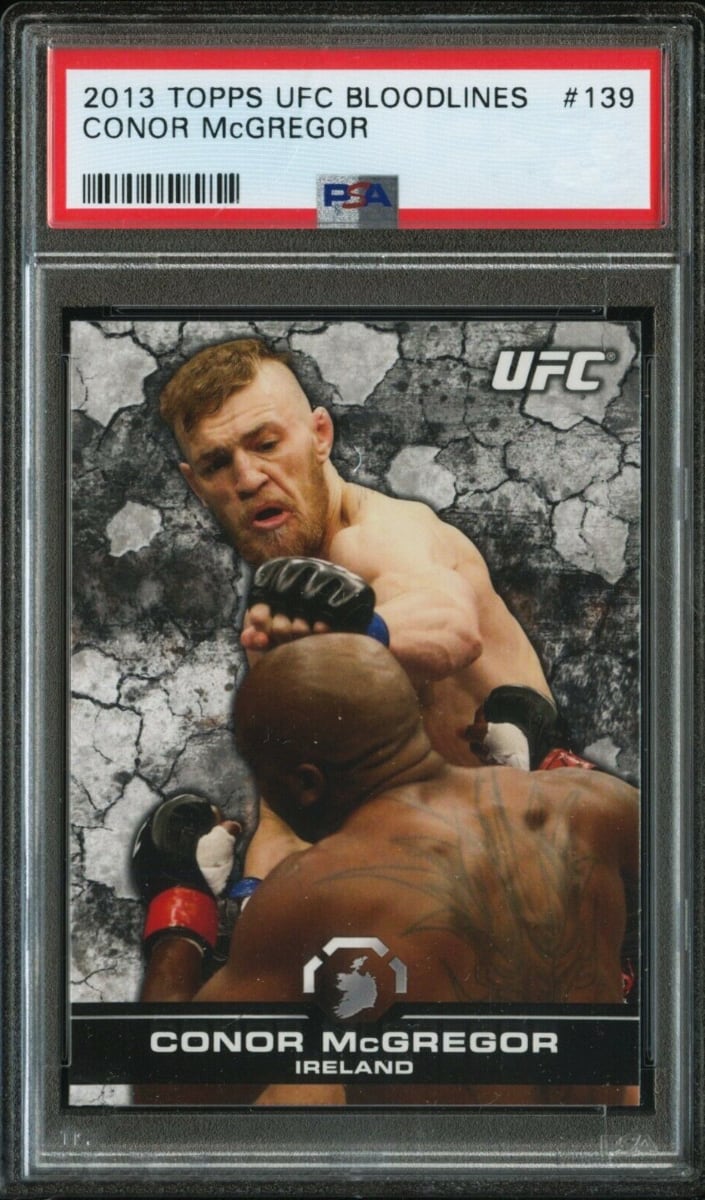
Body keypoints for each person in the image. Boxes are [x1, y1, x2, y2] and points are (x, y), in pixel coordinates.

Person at [134, 635, 639, 1107]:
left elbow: (168, 1093)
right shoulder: (594, 803)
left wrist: (179, 902)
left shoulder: (310, 895)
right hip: (607, 1159)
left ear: (306, 783)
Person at [160, 339, 581, 879]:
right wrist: (251, 900)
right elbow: (289, 820)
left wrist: (343, 638)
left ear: (320, 435)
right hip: (435, 879)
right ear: (195, 486)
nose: (247, 479)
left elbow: (453, 629)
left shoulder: (382, 535)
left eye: (265, 444)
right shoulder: (274, 622)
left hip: (547, 856)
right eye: (217, 463)